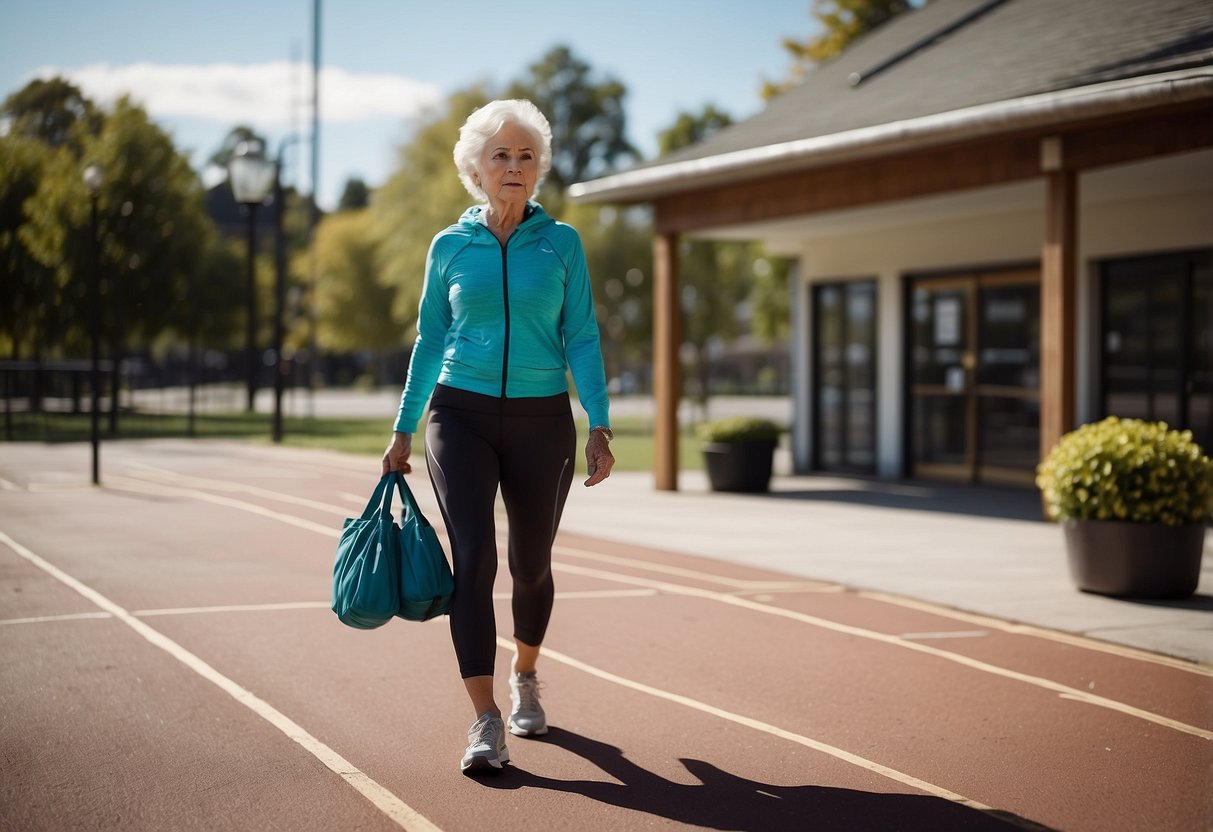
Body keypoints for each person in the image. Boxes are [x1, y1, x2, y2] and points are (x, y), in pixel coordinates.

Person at [381, 98, 614, 775]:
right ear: (475, 168)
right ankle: (484, 720)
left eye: (526, 156)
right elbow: (430, 339)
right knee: (475, 559)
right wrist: (403, 427)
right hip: (460, 413)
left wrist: (598, 423)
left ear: (538, 168)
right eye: (500, 156)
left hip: (544, 418)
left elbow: (583, 336)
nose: (514, 167)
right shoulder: (449, 246)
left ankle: (526, 675)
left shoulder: (561, 243)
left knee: (531, 563)